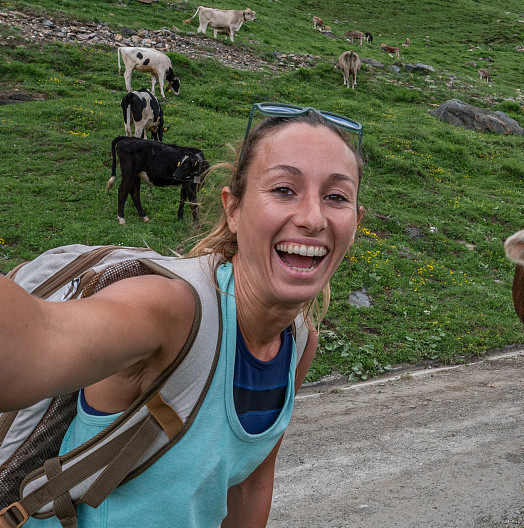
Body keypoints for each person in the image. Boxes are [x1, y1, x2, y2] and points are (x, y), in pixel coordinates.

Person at [0, 108, 364, 527]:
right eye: (284, 189)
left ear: (356, 221)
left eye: (336, 197)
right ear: (233, 209)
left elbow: (248, 483)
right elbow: (34, 344)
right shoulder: (167, 309)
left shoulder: (298, 341)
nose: (313, 218)